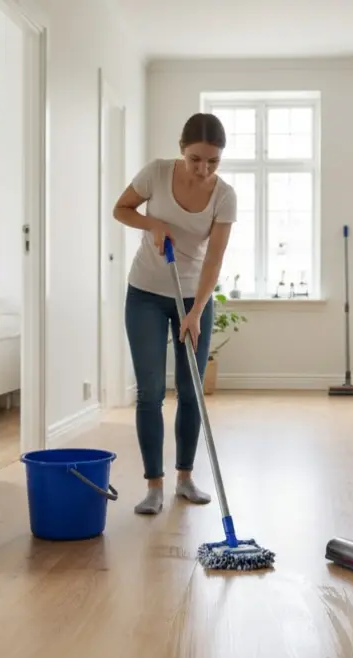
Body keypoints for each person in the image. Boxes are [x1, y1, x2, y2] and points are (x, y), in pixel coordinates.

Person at [112, 113, 237, 515]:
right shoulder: (156, 173)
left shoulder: (224, 196)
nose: (203, 169)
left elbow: (214, 261)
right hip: (146, 292)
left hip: (193, 295)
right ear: (181, 149)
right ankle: (154, 486)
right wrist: (152, 223)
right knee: (149, 392)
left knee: (191, 392)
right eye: (196, 159)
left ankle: (185, 479)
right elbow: (122, 209)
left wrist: (197, 311)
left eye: (213, 161)